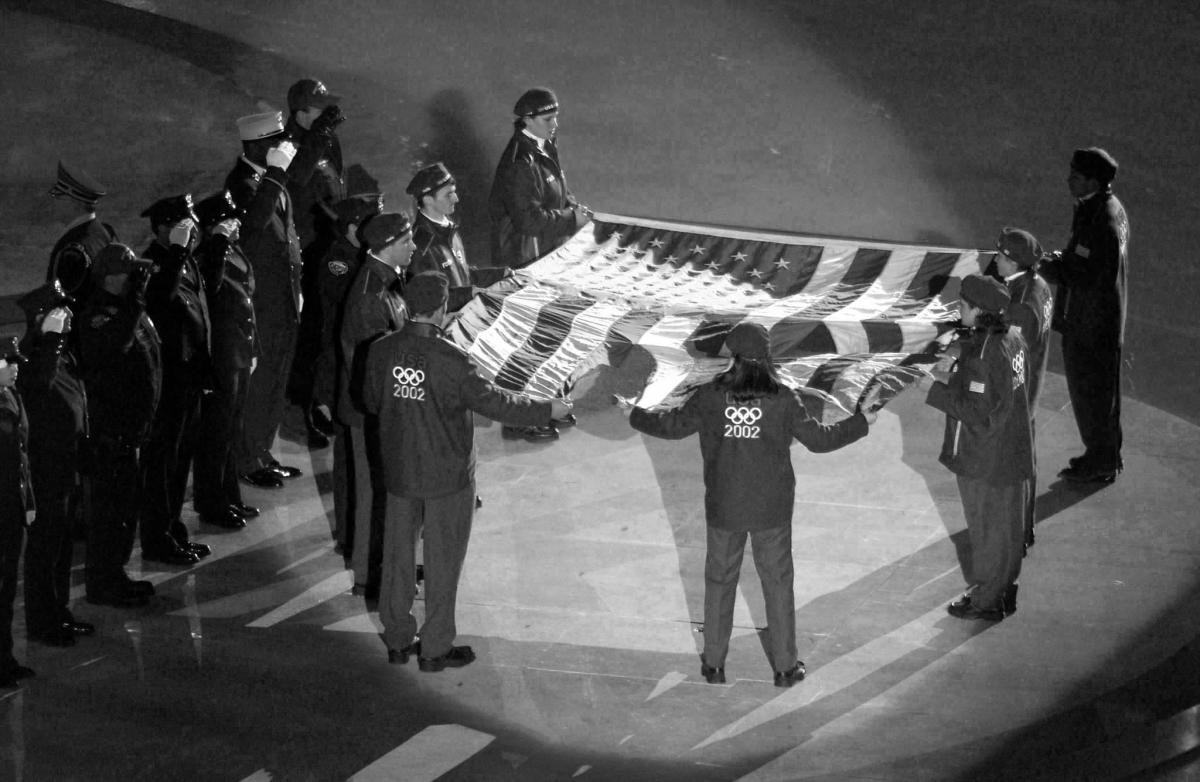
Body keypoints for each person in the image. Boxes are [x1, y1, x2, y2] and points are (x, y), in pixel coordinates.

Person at [630, 322, 874, 686]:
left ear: (733, 355)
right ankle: (785, 668)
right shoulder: (783, 398)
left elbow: (672, 427)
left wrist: (636, 414)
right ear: (767, 355)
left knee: (718, 581)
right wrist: (861, 422)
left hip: (725, 505)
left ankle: (713, 664)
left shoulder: (710, 396)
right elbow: (820, 441)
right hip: (770, 509)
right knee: (777, 584)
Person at [362, 271, 569, 670]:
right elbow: (497, 405)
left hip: (401, 471)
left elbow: (372, 402)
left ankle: (398, 639)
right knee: (442, 562)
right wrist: (548, 409)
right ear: (442, 310)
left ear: (405, 306)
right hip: (447, 476)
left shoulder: (381, 351)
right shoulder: (453, 360)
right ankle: (435, 648)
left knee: (397, 558)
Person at [925, 274, 1033, 621]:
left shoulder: (984, 357)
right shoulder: (1013, 338)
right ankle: (1005, 588)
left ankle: (987, 599)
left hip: (984, 457)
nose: (959, 308)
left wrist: (936, 388)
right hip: (1012, 449)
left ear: (979, 311)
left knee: (986, 530)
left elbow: (974, 410)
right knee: (1008, 528)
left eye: (963, 304)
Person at [487, 87, 590, 443]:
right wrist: (570, 219)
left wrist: (574, 208)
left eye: (555, 117)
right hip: (527, 259)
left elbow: (555, 193)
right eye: (548, 119)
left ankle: (546, 405)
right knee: (526, 341)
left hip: (547, 256)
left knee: (549, 336)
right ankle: (519, 418)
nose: (554, 123)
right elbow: (529, 219)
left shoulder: (543, 147)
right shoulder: (520, 162)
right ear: (528, 120)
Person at [138, 195, 226, 570]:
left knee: (180, 459)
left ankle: (172, 528)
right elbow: (160, 300)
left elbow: (204, 305)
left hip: (190, 375)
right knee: (163, 461)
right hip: (170, 379)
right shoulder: (156, 262)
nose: (193, 233)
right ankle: (158, 538)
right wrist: (174, 252)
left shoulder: (185, 259)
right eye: (184, 227)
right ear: (164, 228)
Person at [224, 110, 309, 488]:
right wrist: (275, 174)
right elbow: (255, 225)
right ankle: (246, 457)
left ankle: (262, 449)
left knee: (277, 380)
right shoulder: (242, 184)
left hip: (284, 301)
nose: (282, 148)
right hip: (261, 306)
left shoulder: (272, 178)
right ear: (256, 146)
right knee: (259, 386)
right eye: (274, 143)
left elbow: (286, 237)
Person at [1040, 147, 1129, 485]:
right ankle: (1103, 454)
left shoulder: (1100, 220)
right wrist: (1062, 259)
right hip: (1099, 319)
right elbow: (1084, 259)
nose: (1068, 180)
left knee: (1091, 393)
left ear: (1093, 180)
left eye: (1075, 176)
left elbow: (1088, 275)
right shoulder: (1103, 207)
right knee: (1101, 394)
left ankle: (1102, 460)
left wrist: (1045, 266)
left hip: (1091, 323)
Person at [77, 244, 160, 607]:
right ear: (111, 277)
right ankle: (103, 582)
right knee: (109, 514)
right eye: (129, 274)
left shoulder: (125, 308)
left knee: (125, 511)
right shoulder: (97, 315)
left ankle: (116, 573)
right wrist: (136, 299)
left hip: (131, 430)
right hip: (110, 433)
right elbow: (117, 345)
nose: (135, 279)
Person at [337, 212, 414, 597]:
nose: (414, 247)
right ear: (385, 247)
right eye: (407, 242)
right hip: (370, 414)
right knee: (372, 496)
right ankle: (370, 576)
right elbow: (375, 367)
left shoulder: (385, 281)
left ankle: (387, 564)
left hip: (380, 410)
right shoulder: (372, 294)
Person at [17, 283, 93, 646]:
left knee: (62, 546)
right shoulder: (33, 357)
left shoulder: (61, 354)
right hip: (45, 468)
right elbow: (38, 387)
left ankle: (59, 610)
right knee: (45, 547)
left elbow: (77, 396)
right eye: (59, 311)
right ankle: (42, 622)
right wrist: (50, 341)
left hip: (67, 462)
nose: (67, 318)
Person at [192, 190, 261, 530]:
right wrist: (217, 243)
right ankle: (212, 502)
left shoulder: (234, 250)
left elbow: (247, 300)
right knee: (216, 434)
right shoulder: (208, 255)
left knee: (231, 430)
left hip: (239, 350)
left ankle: (230, 496)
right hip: (221, 354)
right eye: (227, 221)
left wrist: (254, 349)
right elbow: (213, 285)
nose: (235, 225)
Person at [285, 77, 348, 449]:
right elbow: (295, 180)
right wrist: (319, 137)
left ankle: (323, 402)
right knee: (309, 334)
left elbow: (335, 182)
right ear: (301, 112)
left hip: (330, 245)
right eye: (319, 109)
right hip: (306, 252)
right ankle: (302, 411)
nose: (327, 115)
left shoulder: (327, 139)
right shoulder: (286, 144)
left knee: (329, 329)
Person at [319, 193, 384, 551]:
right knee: (350, 463)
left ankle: (358, 533)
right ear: (351, 228)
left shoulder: (361, 259)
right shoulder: (339, 263)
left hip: (354, 370)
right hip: (342, 372)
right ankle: (349, 534)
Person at [994, 227, 1052, 552]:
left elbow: (1009, 352)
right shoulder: (1039, 287)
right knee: (1025, 461)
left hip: (1017, 394)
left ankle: (1015, 533)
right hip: (1031, 387)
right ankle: (1024, 527)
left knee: (1013, 467)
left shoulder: (1020, 304)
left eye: (1001, 256)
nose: (996, 260)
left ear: (1014, 262)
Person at [407, 162, 509, 314]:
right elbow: (427, 299)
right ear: (428, 200)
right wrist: (468, 294)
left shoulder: (449, 229)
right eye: (449, 194)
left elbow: (463, 275)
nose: (456, 199)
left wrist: (501, 274)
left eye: (454, 192)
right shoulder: (420, 245)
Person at [0, 337, 37, 688]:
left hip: (12, 506)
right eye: (7, 362)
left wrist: (28, 505)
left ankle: (5, 657)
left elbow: (22, 459)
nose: (15, 367)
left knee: (8, 586)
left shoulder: (13, 396)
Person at [46, 160, 117, 302]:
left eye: (58, 196)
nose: (53, 201)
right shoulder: (103, 231)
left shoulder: (71, 247)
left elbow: (60, 302)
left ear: (74, 203)